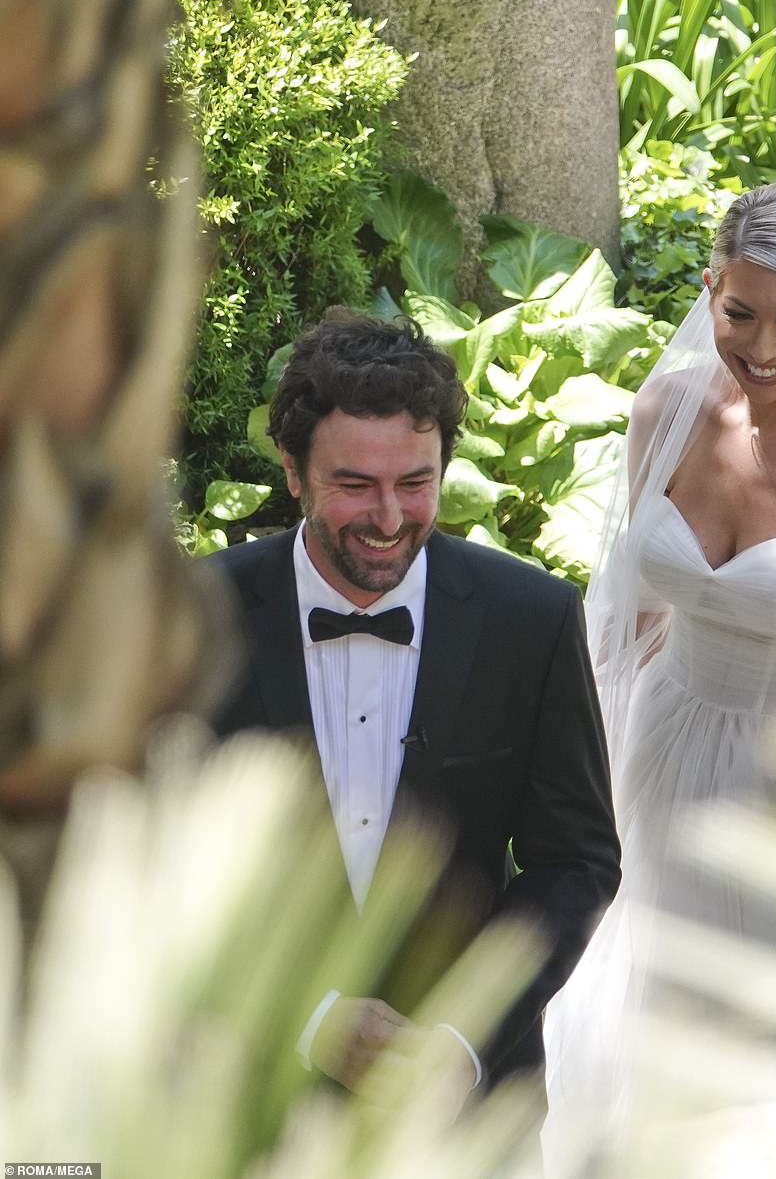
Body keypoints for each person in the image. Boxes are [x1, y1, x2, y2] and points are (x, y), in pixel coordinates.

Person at [543, 184, 776, 1163]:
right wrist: (584, 768)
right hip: (662, 748)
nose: (760, 348)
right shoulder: (662, 411)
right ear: (707, 289)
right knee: (635, 1006)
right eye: (737, 313)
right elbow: (630, 610)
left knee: (759, 1052)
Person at [209, 309, 621, 1112]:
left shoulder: (529, 619)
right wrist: (309, 1017)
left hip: (469, 1108)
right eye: (355, 485)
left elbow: (574, 862)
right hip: (246, 1095)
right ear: (293, 470)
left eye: (416, 482)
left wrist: (464, 1035)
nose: (390, 520)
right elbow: (138, 847)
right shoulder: (193, 615)